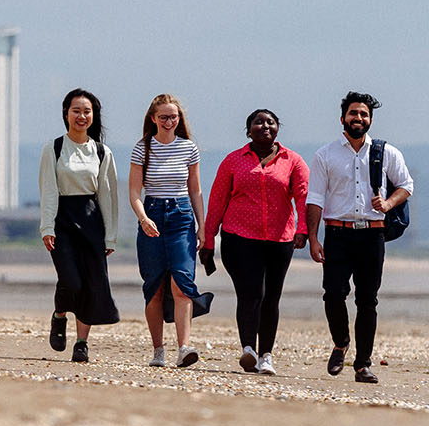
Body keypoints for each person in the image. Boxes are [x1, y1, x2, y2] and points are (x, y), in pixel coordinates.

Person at [305, 91, 414, 384]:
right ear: (343, 118)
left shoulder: (386, 152)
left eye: (364, 114)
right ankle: (340, 342)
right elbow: (314, 198)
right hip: (337, 234)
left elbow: (406, 185)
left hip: (372, 236)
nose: (359, 118)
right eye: (354, 113)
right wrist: (313, 238)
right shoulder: (325, 154)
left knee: (368, 300)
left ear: (370, 120)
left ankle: (363, 364)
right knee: (333, 293)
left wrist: (388, 204)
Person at [200, 109, 309, 376]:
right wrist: (208, 239)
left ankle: (266, 356)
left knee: (271, 297)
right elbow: (217, 200)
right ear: (248, 130)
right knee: (250, 293)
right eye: (258, 122)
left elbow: (304, 197)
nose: (265, 126)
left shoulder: (293, 161)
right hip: (239, 238)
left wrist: (303, 229)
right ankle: (248, 348)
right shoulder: (233, 160)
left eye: (270, 122)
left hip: (279, 240)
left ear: (278, 128)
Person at [128, 94, 212, 368]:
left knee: (182, 282)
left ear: (179, 119)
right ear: (153, 119)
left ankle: (184, 347)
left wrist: (203, 226)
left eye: (173, 117)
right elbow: (134, 191)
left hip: (181, 217)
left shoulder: (188, 148)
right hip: (152, 214)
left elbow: (195, 190)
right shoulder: (143, 148)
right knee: (154, 286)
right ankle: (157, 350)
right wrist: (143, 218)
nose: (168, 121)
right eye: (163, 117)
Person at [41, 88, 120, 362]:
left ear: (94, 116)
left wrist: (110, 236)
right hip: (62, 219)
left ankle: (82, 343)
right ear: (66, 114)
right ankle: (59, 315)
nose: (82, 116)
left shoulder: (102, 151)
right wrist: (47, 227)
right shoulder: (54, 148)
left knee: (91, 283)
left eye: (87, 111)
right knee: (70, 280)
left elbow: (108, 196)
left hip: (91, 220)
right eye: (76, 111)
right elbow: (49, 191)